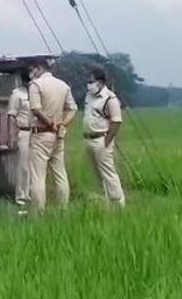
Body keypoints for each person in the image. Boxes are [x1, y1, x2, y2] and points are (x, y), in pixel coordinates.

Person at [27, 58, 78, 210]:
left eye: (32, 69)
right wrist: (63, 123)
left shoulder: (36, 85)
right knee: (60, 174)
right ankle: (63, 209)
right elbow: (73, 108)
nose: (32, 73)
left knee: (38, 177)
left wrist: (50, 123)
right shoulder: (63, 85)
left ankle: (38, 213)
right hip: (58, 135)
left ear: (38, 68)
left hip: (41, 134)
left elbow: (36, 109)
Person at [82, 68, 126, 206]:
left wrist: (107, 141)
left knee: (108, 173)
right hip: (89, 138)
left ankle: (118, 202)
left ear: (100, 82)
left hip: (101, 139)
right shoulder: (89, 96)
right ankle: (106, 201)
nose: (89, 85)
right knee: (97, 174)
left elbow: (116, 121)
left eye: (91, 81)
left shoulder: (110, 98)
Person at [7, 72, 32, 206]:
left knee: (35, 165)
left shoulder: (37, 93)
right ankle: (21, 197)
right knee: (23, 166)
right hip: (23, 132)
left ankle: (32, 194)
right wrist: (12, 137)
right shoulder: (17, 94)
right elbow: (12, 116)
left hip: (37, 133)